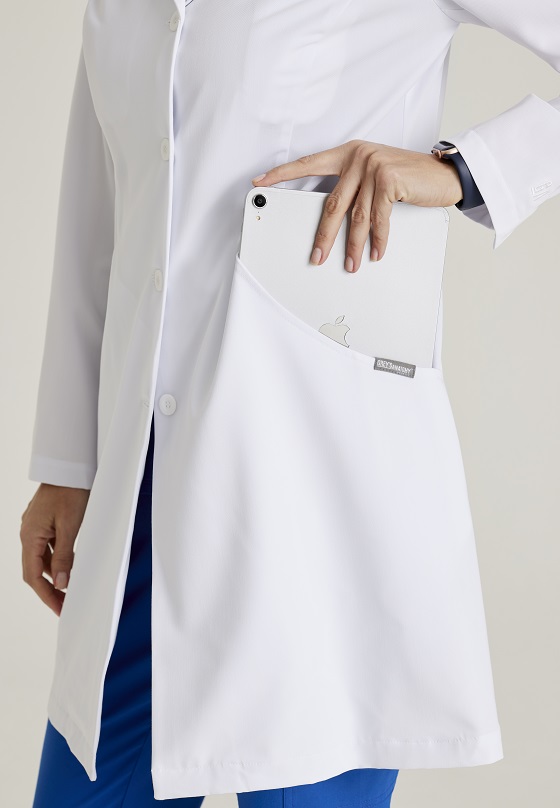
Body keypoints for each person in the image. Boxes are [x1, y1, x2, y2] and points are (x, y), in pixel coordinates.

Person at [21, 0, 559, 804]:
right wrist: (69, 462)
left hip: (318, 497)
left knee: (313, 751)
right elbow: (102, 205)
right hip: (142, 498)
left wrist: (463, 172)